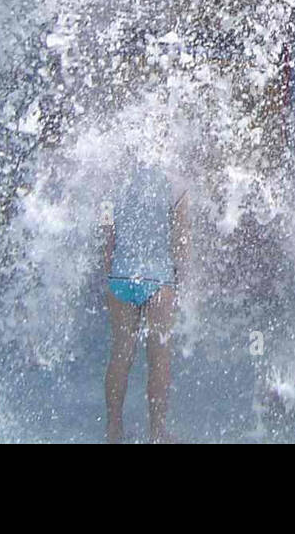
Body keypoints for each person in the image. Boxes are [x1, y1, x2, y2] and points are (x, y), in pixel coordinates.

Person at [102, 154, 191, 444]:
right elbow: (180, 241)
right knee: (159, 360)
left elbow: (106, 231)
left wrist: (109, 272)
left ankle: (114, 430)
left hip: (121, 276)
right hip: (159, 280)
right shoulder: (176, 181)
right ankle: (157, 433)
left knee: (120, 355)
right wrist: (181, 281)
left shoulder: (115, 176)